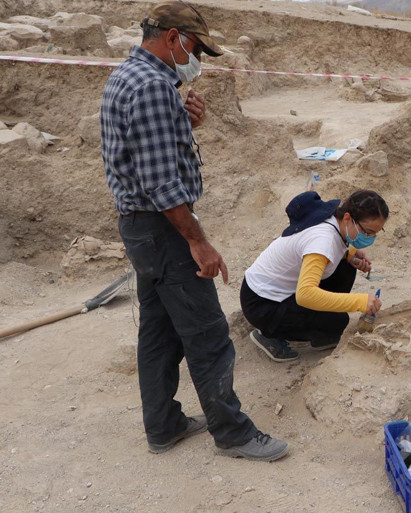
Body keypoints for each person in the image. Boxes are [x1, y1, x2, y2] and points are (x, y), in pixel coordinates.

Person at [100, 1, 288, 461]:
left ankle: (163, 425)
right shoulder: (151, 87)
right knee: (208, 334)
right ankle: (234, 434)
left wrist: (183, 123)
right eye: (196, 50)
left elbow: (145, 152)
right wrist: (198, 241)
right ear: (172, 38)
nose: (197, 60)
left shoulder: (132, 76)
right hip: (163, 230)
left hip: (143, 229)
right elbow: (161, 183)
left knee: (160, 332)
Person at [241, 190, 388, 362]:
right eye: (367, 232)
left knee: (345, 268)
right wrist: (360, 302)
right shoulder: (322, 241)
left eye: (375, 233)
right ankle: (268, 334)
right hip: (262, 304)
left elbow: (326, 250)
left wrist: (349, 254)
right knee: (337, 322)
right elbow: (305, 295)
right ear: (348, 218)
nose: (370, 238)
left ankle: (317, 324)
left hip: (273, 289)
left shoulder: (334, 220)